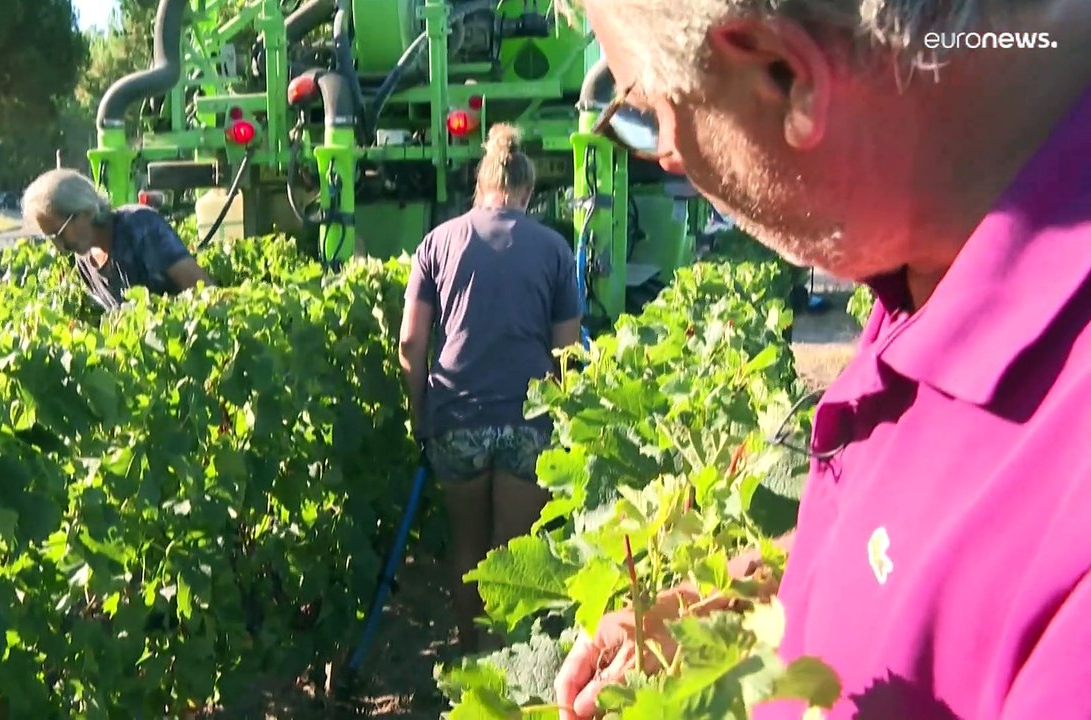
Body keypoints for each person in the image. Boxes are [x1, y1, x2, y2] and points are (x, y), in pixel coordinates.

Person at [553, 1, 1091, 719]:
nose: (665, 155)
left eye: (645, 108)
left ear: (785, 74)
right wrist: (735, 611)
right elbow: (928, 554)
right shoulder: (937, 243)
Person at [399, 123, 583, 655]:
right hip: (529, 422)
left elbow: (411, 341)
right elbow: (567, 351)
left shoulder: (436, 243)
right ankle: (511, 666)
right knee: (514, 556)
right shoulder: (553, 248)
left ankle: (471, 650)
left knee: (468, 548)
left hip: (456, 419)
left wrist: (420, 412)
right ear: (527, 192)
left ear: (480, 186)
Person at [21, 169, 213, 307]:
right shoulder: (84, 262)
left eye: (60, 233)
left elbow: (204, 291)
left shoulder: (140, 227)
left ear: (85, 212)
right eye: (51, 238)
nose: (60, 246)